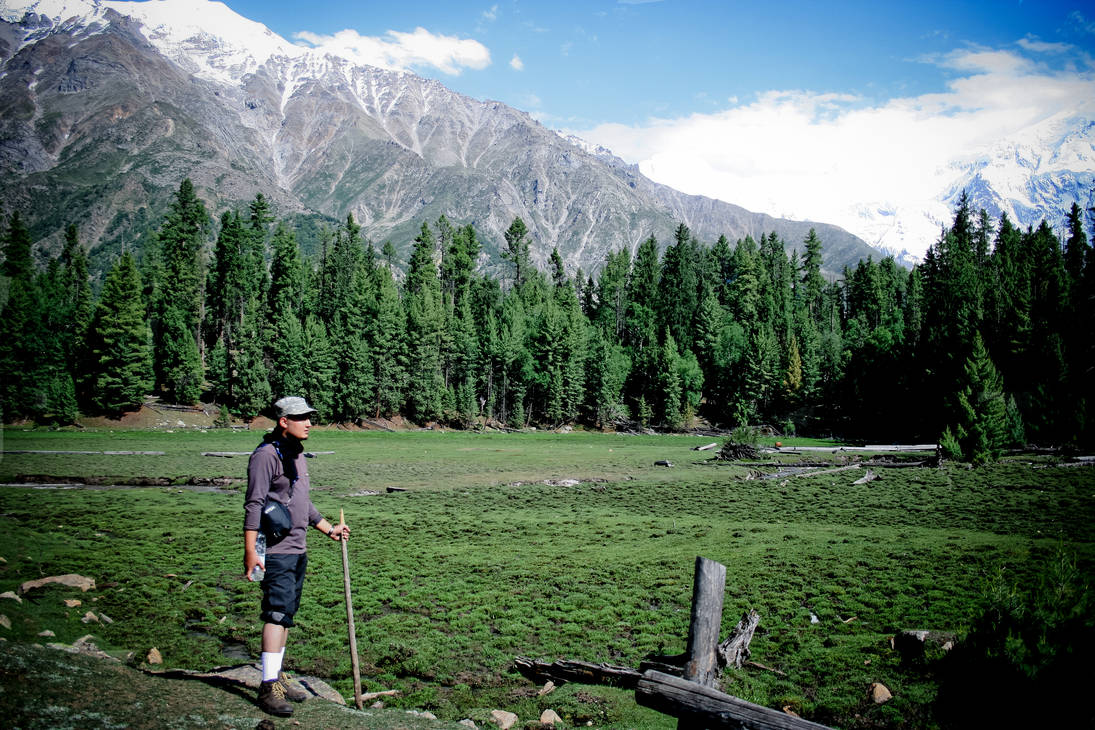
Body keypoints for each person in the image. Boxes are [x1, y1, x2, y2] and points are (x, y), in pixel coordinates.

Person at [243, 395, 349, 716]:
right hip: (273, 550)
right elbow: (254, 504)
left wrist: (328, 528)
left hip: (297, 548)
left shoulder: (298, 456)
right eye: (301, 417)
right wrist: (251, 550)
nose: (309, 423)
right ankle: (267, 688)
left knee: (287, 612)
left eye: (309, 417)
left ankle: (277, 677)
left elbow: (303, 503)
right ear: (283, 421)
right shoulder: (265, 457)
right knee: (276, 613)